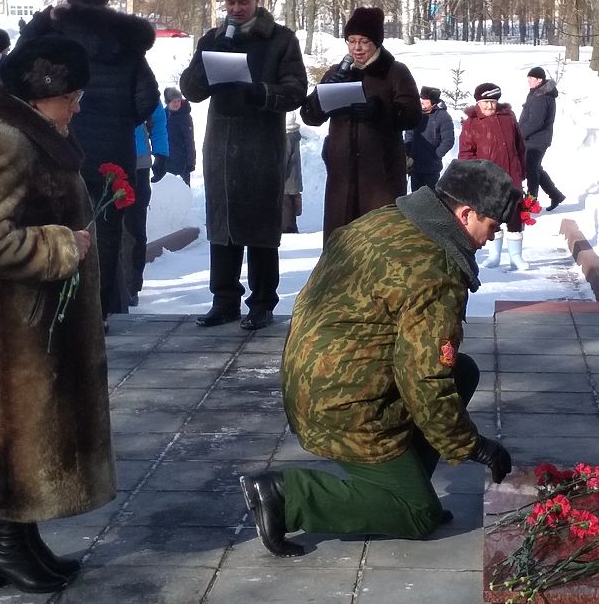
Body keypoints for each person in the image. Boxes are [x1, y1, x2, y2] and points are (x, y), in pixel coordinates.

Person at [241, 159, 516, 556]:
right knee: (418, 515)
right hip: (344, 404)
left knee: (462, 371)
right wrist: (473, 445)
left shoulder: (390, 219)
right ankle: (287, 494)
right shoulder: (435, 269)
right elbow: (424, 378)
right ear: (466, 213)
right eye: (491, 227)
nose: (491, 238)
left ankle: (403, 487)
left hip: (310, 379)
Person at [0, 35, 115, 595]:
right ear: (42, 95)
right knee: (16, 435)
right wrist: (61, 245)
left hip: (32, 322)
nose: (78, 104)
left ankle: (22, 544)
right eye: (71, 94)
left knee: (31, 437)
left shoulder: (35, 136)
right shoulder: (7, 142)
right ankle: (4, 549)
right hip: (9, 330)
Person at [16, 0, 160, 321]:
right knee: (106, 233)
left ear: (69, 0)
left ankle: (62, 311)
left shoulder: (53, 39)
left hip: (59, 146)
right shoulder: (127, 45)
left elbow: (17, 70)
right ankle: (100, 311)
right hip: (114, 151)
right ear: (104, 2)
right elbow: (147, 98)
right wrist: (118, 120)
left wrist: (38, 23)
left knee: (60, 224)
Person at [179, 0, 307, 331]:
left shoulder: (280, 40)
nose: (235, 8)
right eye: (230, 1)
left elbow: (296, 89)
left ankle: (263, 302)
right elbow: (190, 89)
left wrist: (260, 91)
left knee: (261, 228)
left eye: (243, 1)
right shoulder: (213, 37)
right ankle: (224, 300)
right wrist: (209, 60)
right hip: (221, 146)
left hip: (261, 146)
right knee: (223, 227)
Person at [300, 6, 421, 242]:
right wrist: (321, 93)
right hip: (342, 181)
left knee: (378, 246)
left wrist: (380, 112)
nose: (357, 48)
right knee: (341, 248)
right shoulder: (337, 72)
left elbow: (412, 116)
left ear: (376, 43)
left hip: (380, 180)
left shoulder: (395, 73)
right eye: (352, 41)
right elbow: (310, 117)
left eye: (364, 41)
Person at [459, 83, 529, 270]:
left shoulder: (508, 118)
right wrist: (474, 175)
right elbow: (466, 154)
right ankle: (494, 255)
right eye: (486, 102)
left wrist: (522, 169)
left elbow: (519, 146)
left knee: (514, 216)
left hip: (512, 176)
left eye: (493, 102)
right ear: (478, 103)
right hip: (488, 180)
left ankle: (516, 256)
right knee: (492, 217)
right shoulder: (471, 123)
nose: (490, 106)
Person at [121, 100, 169, 306]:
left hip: (137, 164)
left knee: (134, 228)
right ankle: (108, 286)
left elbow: (157, 117)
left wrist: (161, 153)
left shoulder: (137, 72)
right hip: (97, 160)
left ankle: (130, 286)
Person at [519, 66, 565, 211]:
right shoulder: (537, 93)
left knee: (531, 170)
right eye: (528, 78)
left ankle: (531, 203)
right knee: (535, 168)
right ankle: (555, 195)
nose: (528, 81)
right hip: (534, 139)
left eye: (531, 79)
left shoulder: (541, 96)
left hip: (536, 140)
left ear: (539, 80)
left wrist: (520, 134)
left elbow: (536, 122)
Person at [404, 85, 454, 192]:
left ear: (433, 101)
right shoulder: (416, 114)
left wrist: (435, 155)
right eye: (421, 99)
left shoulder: (443, 116)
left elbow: (448, 141)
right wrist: (408, 153)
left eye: (425, 100)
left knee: (429, 198)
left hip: (431, 168)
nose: (421, 102)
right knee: (415, 197)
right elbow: (409, 135)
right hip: (415, 165)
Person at [163, 87, 196, 186]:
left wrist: (191, 161)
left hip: (182, 161)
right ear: (168, 102)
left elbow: (189, 140)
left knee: (183, 189)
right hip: (167, 160)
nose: (177, 103)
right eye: (174, 101)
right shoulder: (163, 115)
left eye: (178, 101)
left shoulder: (185, 116)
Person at [282, 110, 303, 233]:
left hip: (286, 185)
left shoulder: (287, 137)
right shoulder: (293, 135)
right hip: (291, 185)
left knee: (286, 224)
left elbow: (282, 161)